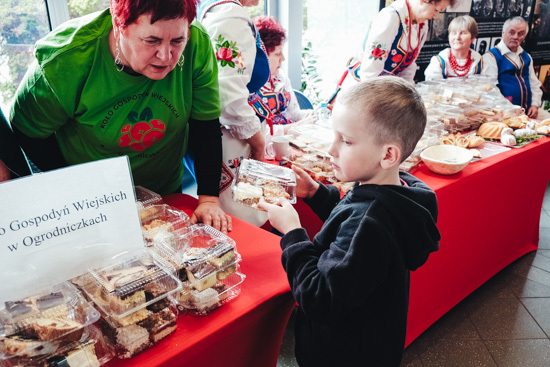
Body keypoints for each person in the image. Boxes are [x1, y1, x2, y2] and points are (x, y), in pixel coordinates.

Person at [260, 76, 440, 366]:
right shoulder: (404, 192)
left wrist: (293, 234)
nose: (332, 150)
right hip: (376, 341)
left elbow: (320, 297)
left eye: (345, 140)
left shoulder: (368, 222)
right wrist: (316, 193)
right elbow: (353, 214)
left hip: (342, 353)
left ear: (388, 154)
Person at [9, 0, 232, 233]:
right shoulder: (65, 60)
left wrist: (208, 199)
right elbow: (28, 133)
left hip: (165, 190)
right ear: (119, 26)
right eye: (151, 41)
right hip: (94, 201)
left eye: (177, 41)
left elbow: (205, 125)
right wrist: (77, 190)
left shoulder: (197, 41)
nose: (166, 56)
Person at [198, 0, 271, 227]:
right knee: (242, 217)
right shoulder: (229, 14)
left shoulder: (216, 8)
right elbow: (227, 93)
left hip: (227, 131)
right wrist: (257, 140)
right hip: (232, 136)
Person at [248, 16, 316, 138]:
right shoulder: (249, 87)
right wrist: (296, 127)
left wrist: (316, 115)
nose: (283, 58)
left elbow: (294, 113)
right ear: (260, 56)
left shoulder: (281, 77)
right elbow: (258, 133)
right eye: (278, 53)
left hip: (289, 142)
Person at [357, 0, 453, 84]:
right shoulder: (390, 17)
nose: (435, 16)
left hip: (386, 85)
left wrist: (408, 90)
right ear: (423, 1)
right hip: (365, 85)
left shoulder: (422, 25)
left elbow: (409, 64)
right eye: (436, 10)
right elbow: (370, 69)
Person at [482, 16, 542, 118]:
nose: (515, 37)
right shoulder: (490, 57)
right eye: (512, 32)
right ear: (503, 32)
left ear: (525, 36)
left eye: (520, 33)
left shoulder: (527, 57)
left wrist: (535, 104)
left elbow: (534, 84)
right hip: (503, 114)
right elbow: (490, 89)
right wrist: (510, 108)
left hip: (528, 113)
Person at [424, 15, 483, 80]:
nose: (457, 38)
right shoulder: (439, 61)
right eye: (454, 33)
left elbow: (487, 86)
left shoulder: (479, 61)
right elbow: (433, 87)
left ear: (473, 38)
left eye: (463, 33)